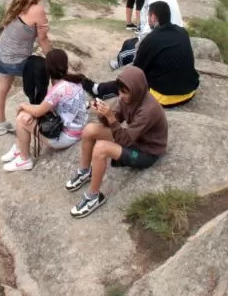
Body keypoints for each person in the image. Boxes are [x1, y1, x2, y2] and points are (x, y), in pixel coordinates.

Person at [65, 66, 167, 218]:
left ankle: (93, 197)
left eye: (125, 92)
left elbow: (123, 139)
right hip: (134, 139)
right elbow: (113, 121)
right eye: (120, 91)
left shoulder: (148, 110)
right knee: (89, 130)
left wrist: (110, 118)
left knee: (101, 148)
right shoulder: (128, 98)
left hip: (146, 152)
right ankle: (85, 172)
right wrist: (101, 113)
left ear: (137, 89)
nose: (121, 96)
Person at [89, 1, 199, 107]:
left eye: (149, 16)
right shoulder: (182, 32)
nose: (148, 20)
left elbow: (135, 72)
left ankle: (98, 89)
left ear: (153, 17)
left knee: (132, 79)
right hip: (189, 91)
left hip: (165, 96)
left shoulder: (151, 39)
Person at [1, 49, 88, 172]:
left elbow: (38, 111)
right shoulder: (75, 81)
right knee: (28, 114)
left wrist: (23, 105)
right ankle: (19, 149)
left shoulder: (57, 90)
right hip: (78, 129)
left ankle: (24, 159)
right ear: (65, 64)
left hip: (67, 137)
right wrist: (32, 112)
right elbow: (47, 107)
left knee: (21, 119)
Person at [0, 0, 51, 136]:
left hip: (0, 54)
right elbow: (43, 39)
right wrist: (53, 60)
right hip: (16, 61)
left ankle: (0, 124)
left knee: (1, 88)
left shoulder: (16, 4)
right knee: (41, 69)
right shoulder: (36, 9)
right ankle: (39, 114)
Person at [110, 0, 183, 69]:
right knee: (128, 44)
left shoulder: (155, 0)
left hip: (161, 43)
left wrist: (140, 42)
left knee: (126, 51)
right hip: (173, 37)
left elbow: (149, 28)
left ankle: (121, 68)